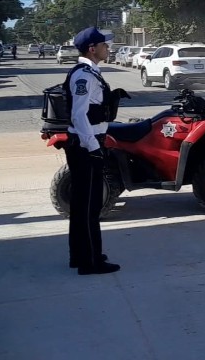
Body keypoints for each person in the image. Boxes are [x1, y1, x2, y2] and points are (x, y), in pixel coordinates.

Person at [65, 27, 120, 275]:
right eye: (104, 45)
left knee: (82, 204)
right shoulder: (84, 76)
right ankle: (90, 262)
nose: (108, 48)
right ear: (92, 48)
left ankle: (80, 255)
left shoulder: (90, 73)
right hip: (86, 146)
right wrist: (94, 147)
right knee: (89, 206)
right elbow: (79, 115)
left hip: (86, 143)